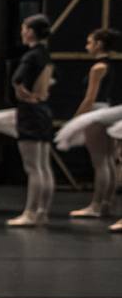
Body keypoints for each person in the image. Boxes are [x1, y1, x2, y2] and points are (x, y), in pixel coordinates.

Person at [55, 28, 122, 219]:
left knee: (100, 161)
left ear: (99, 44)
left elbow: (89, 98)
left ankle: (96, 205)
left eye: (89, 42)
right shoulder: (109, 65)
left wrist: (76, 119)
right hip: (108, 110)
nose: (87, 46)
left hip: (97, 112)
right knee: (108, 160)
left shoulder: (97, 67)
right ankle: (107, 203)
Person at [8, 14, 56, 227]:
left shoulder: (31, 56)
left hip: (30, 111)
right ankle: (42, 211)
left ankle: (29, 212)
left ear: (30, 31)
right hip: (44, 110)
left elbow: (17, 80)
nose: (22, 32)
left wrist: (26, 96)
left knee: (33, 167)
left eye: (24, 28)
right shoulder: (45, 54)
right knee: (44, 165)